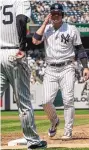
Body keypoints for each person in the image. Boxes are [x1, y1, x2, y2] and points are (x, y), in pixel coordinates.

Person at [32, 3, 89, 140]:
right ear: (50, 15)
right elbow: (34, 40)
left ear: (62, 14)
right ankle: (54, 121)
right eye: (53, 13)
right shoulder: (46, 29)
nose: (55, 15)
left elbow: (80, 49)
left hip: (67, 67)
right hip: (50, 68)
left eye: (58, 13)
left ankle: (67, 131)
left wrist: (85, 67)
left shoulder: (71, 29)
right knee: (46, 101)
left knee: (68, 100)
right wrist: (45, 22)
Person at [0, 0, 47, 149]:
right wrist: (22, 46)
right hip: (14, 52)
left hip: (0, 51)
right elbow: (21, 20)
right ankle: (33, 141)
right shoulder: (20, 0)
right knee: (24, 101)